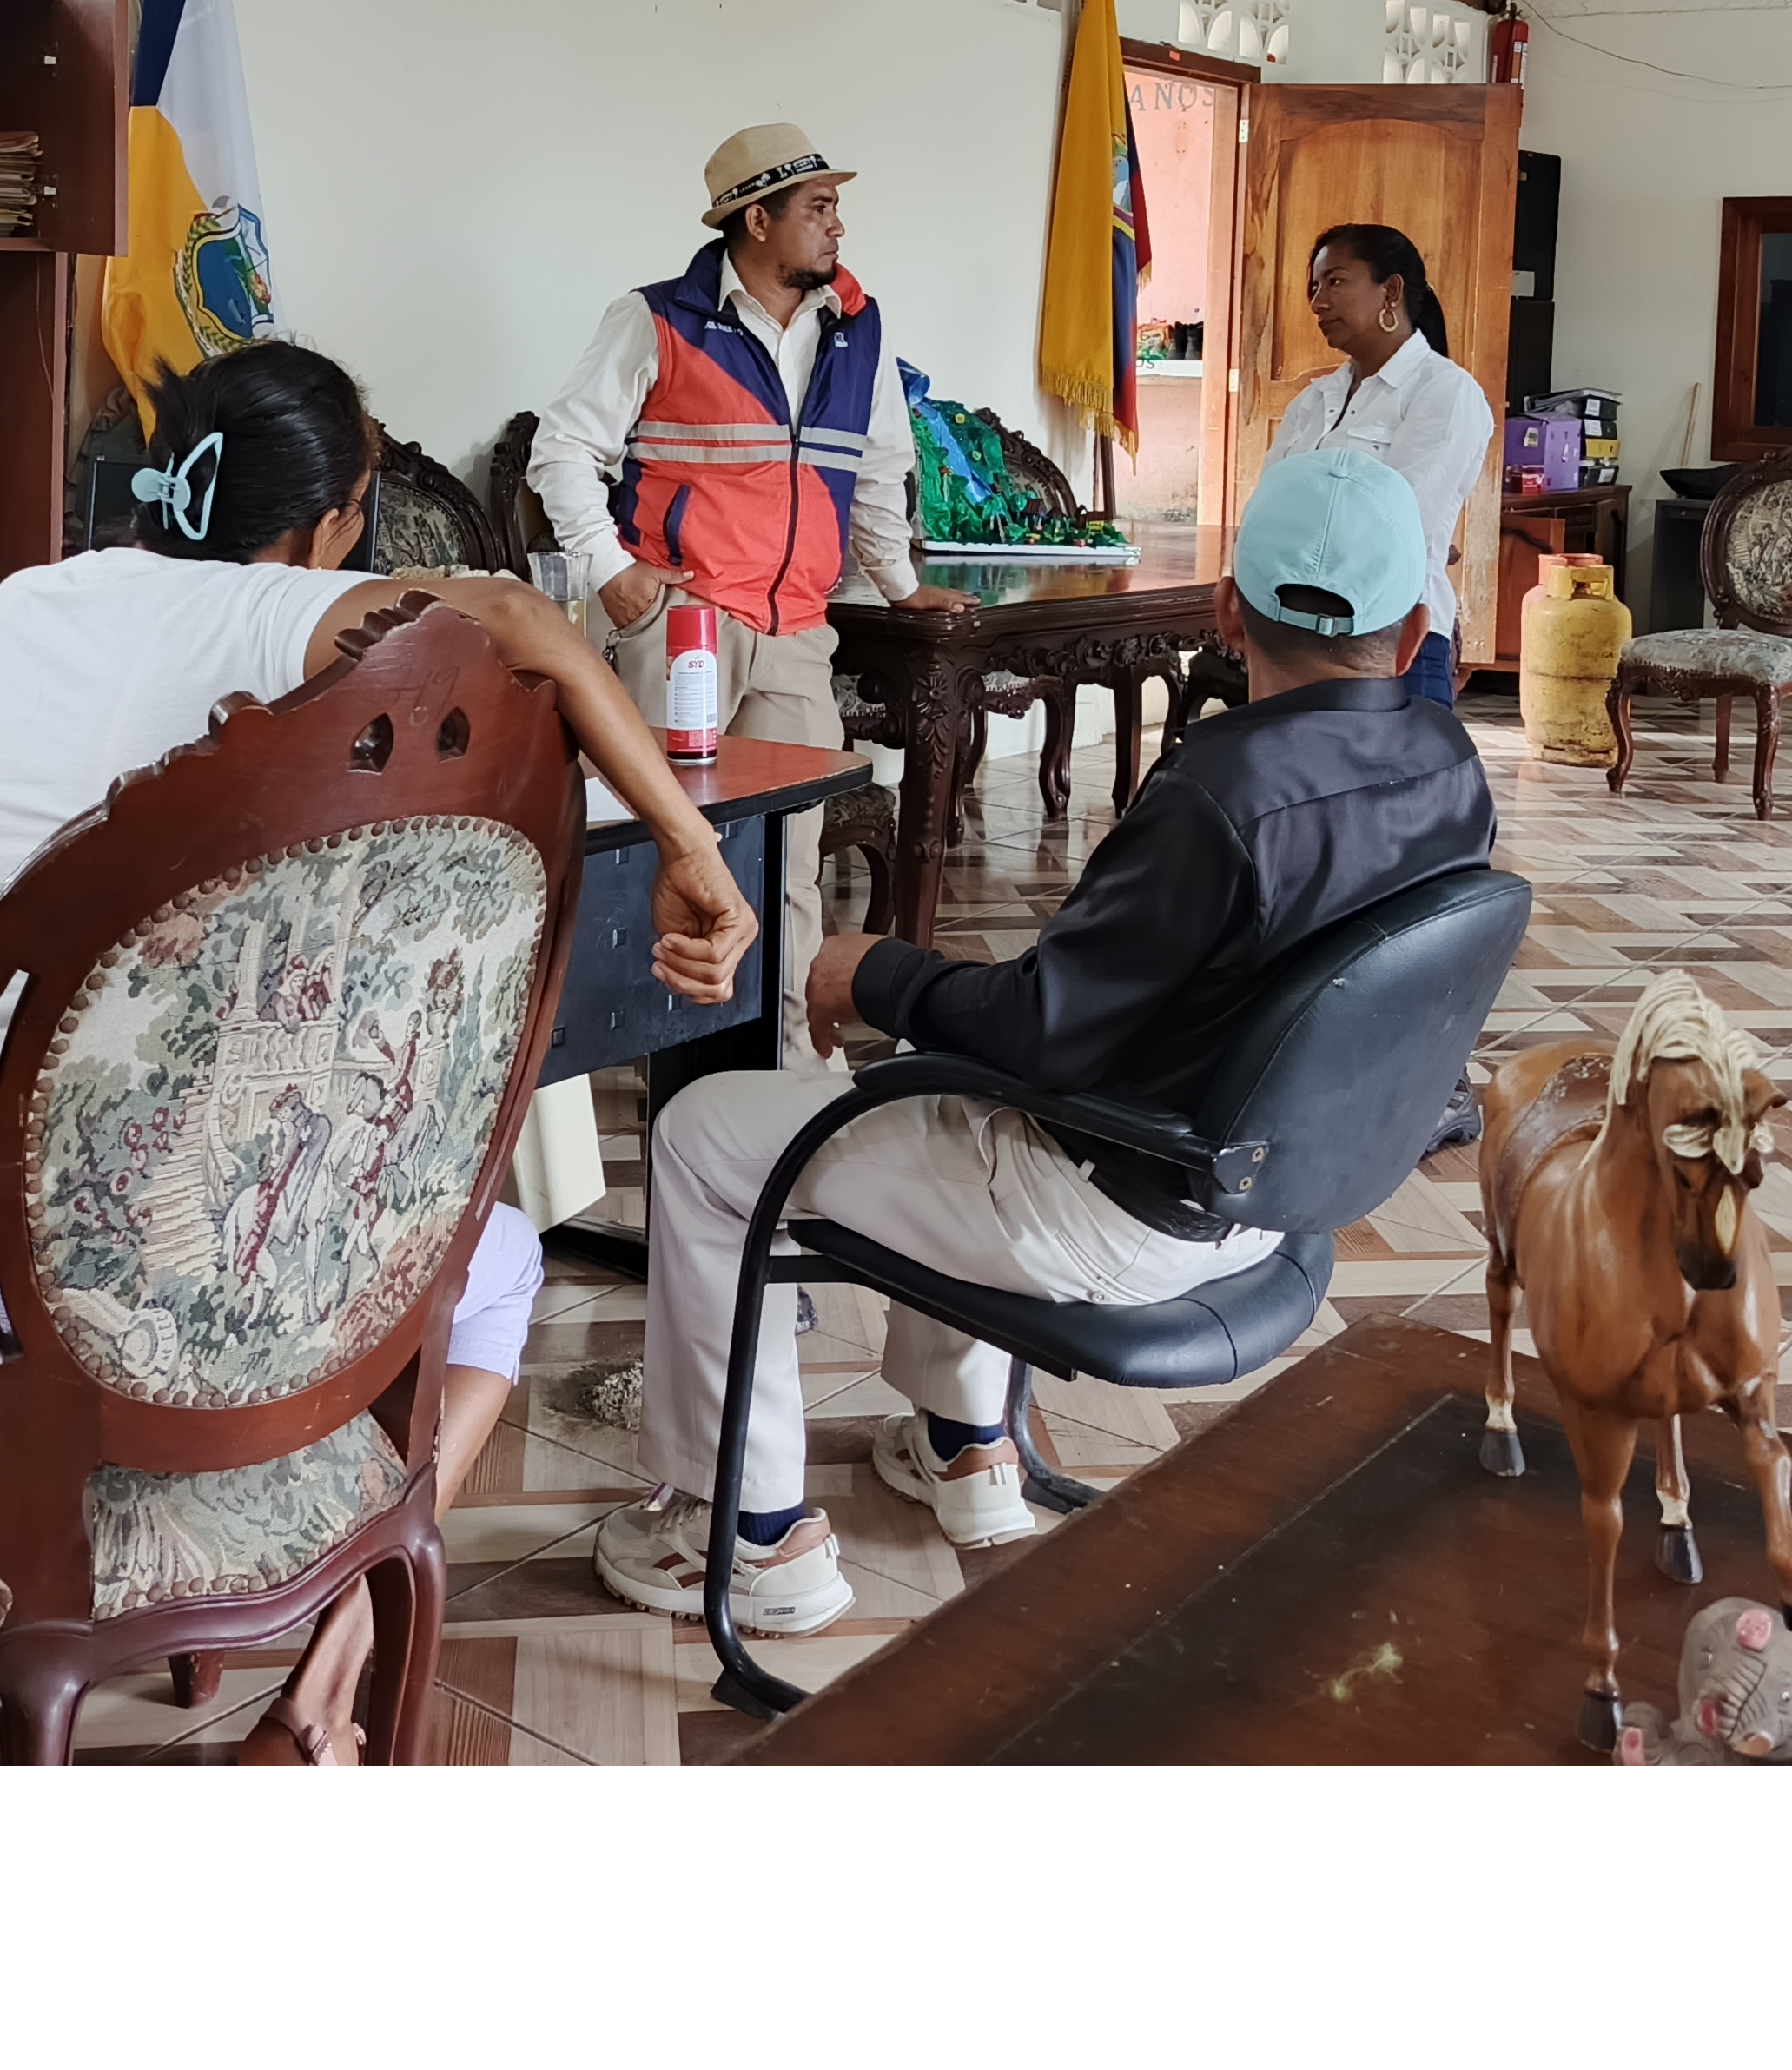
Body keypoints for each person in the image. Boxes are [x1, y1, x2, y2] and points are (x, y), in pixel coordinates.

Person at [0, 341, 758, 1767]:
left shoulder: (27, 601)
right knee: (491, 1270)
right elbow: (519, 621)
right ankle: (320, 1700)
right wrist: (691, 849)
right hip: (221, 1326)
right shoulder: (278, 612)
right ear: (337, 521)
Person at [592, 447, 1496, 1636]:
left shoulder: (1221, 792)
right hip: (1280, 1197)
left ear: (1228, 611)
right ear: (1417, 624)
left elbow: (1039, 1034)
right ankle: (967, 1447)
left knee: (707, 1132)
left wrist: (867, 970)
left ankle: (752, 1532)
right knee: (943, 1090)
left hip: (1121, 1211)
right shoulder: (1453, 770)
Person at [528, 124, 973, 1056]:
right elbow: (561, 450)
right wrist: (611, 570)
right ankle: (649, 1055)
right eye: (819, 207)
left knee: (788, 862)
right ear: (756, 220)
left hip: (796, 631)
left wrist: (899, 587)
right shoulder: (658, 319)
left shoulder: (859, 328)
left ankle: (782, 1061)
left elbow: (878, 469)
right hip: (681, 624)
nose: (837, 225)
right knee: (659, 846)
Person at [1266, 222, 1498, 708]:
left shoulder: (1445, 392)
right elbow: (1266, 512)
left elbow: (1396, 523)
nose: (1317, 302)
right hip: (1296, 636)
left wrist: (1301, 529)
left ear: (1390, 291)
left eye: (1335, 281)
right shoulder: (1313, 400)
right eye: (1314, 287)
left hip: (1393, 641)